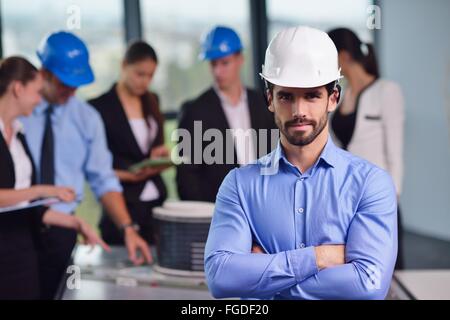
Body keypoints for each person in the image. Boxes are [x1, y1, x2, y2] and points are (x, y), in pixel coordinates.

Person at [205, 26, 398, 300]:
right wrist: (320, 257)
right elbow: (221, 278)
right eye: (286, 96)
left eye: (311, 95)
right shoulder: (239, 186)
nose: (299, 111)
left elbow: (369, 284)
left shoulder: (370, 184)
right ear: (270, 99)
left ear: (333, 98)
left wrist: (265, 278)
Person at [20, 31, 151, 300]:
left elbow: (103, 179)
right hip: (15, 229)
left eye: (75, 83)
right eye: (63, 82)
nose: (71, 90)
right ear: (43, 72)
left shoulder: (87, 119)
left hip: (62, 231)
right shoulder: (17, 112)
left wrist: (128, 228)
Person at [0, 56, 109, 300]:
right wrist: (43, 190)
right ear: (18, 88)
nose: (39, 100)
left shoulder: (18, 136)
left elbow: (25, 207)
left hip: (22, 251)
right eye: (36, 92)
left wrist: (76, 223)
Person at [327, 27, 405, 269]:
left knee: (383, 274)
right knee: (350, 272)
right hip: (344, 203)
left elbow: (395, 154)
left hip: (377, 203)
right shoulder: (340, 96)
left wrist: (388, 204)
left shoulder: (387, 91)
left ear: (343, 57)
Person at [176, 26, 277, 202]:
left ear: (240, 59)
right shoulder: (195, 111)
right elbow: (187, 178)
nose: (217, 71)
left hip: (265, 203)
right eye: (213, 64)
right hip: (219, 211)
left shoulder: (263, 103)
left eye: (224, 63)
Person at [89, 41, 169, 245]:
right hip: (122, 202)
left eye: (150, 76)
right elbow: (95, 166)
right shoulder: (98, 108)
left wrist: (159, 155)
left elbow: (151, 146)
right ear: (124, 65)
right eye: (139, 74)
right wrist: (128, 175)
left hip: (155, 202)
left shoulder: (152, 100)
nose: (144, 82)